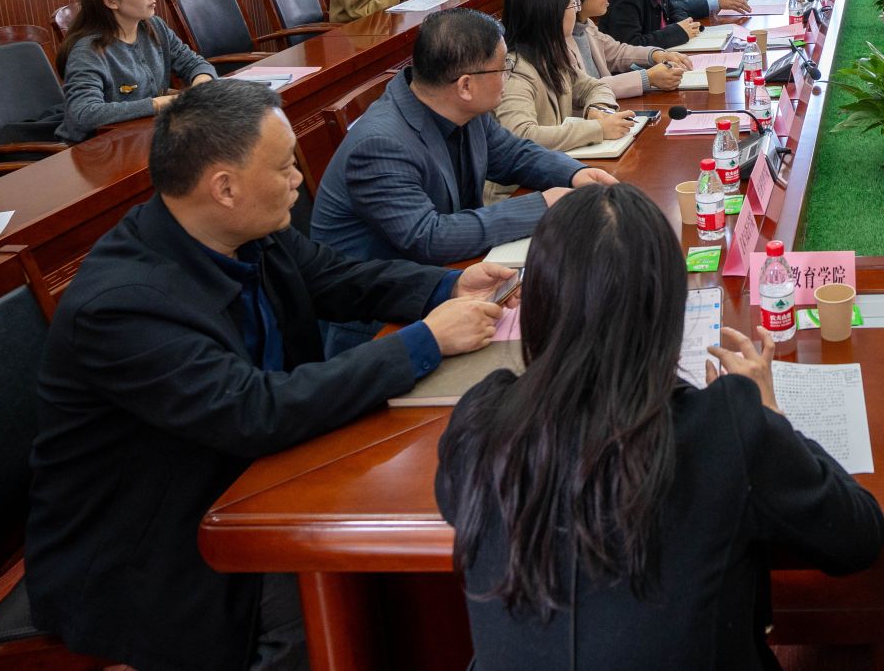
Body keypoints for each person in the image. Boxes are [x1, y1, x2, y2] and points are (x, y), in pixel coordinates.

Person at [27, 81, 518, 671]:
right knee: (344, 591)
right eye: (284, 166)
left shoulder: (246, 232)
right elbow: (253, 411)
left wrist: (447, 285)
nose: (298, 179)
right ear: (224, 187)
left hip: (252, 476)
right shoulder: (123, 304)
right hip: (150, 543)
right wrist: (425, 340)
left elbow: (338, 278)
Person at [436, 184, 884, 669]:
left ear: (540, 304)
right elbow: (859, 537)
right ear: (669, 311)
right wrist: (770, 413)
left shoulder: (478, 423)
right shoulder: (725, 425)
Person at [311, 10, 616, 349]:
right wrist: (541, 205)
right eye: (503, 68)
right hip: (385, 328)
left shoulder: (460, 109)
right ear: (466, 86)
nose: (507, 76)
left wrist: (574, 173)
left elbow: (512, 154)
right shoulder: (380, 145)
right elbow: (429, 237)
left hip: (455, 282)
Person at [490, 0, 635, 188]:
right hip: (521, 189)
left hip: (555, 172)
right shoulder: (514, 71)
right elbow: (522, 136)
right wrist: (598, 129)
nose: (576, 10)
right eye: (572, 4)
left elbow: (594, 87)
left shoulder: (551, 54)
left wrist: (597, 109)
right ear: (549, 13)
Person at [55, 0, 216, 142]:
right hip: (96, 148)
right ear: (111, 1)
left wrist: (199, 88)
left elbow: (195, 64)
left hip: (144, 136)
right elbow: (84, 114)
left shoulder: (154, 26)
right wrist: (161, 103)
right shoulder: (88, 51)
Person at [550, 0, 689, 98]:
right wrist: (647, 78)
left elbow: (617, 52)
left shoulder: (586, 25)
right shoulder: (556, 43)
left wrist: (655, 55)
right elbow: (583, 89)